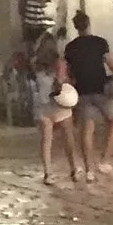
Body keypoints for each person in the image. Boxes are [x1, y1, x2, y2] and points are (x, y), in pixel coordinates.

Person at [64, 11, 113, 181]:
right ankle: (104, 160)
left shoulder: (71, 47)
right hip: (100, 88)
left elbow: (69, 72)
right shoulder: (100, 43)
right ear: (88, 24)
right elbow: (111, 63)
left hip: (82, 90)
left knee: (87, 130)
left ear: (75, 27)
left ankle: (89, 170)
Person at [27, 33, 81, 185]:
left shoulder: (35, 64)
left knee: (46, 141)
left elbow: (34, 84)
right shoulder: (60, 63)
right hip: (59, 105)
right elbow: (63, 82)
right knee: (68, 138)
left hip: (42, 106)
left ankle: (48, 173)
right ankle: (74, 169)